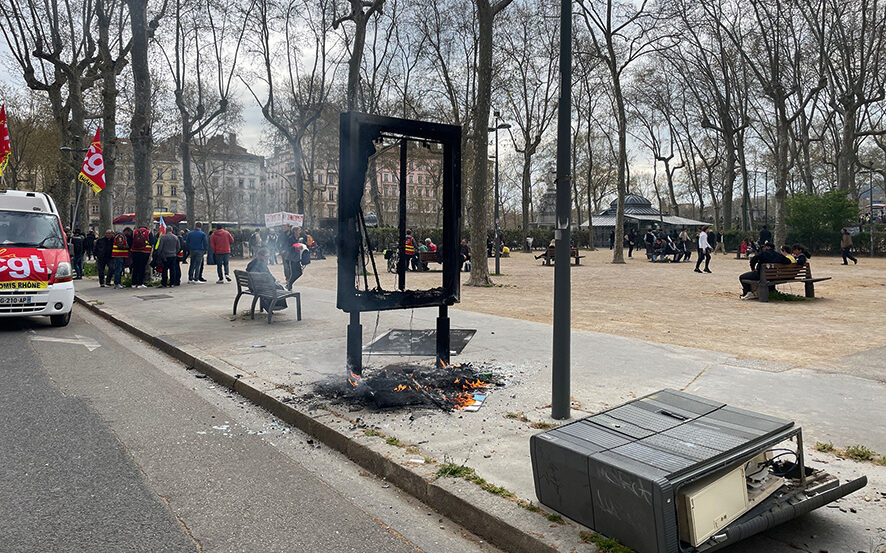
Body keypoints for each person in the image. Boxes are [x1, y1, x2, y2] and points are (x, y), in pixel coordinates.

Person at [246, 247, 288, 312]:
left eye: (268, 256)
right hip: (260, 288)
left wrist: (273, 280)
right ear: (260, 255)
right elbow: (267, 276)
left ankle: (269, 304)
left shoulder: (252, 262)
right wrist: (274, 281)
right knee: (279, 287)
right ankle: (274, 306)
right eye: (266, 256)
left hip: (252, 286)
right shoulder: (261, 264)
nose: (268, 258)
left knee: (276, 286)